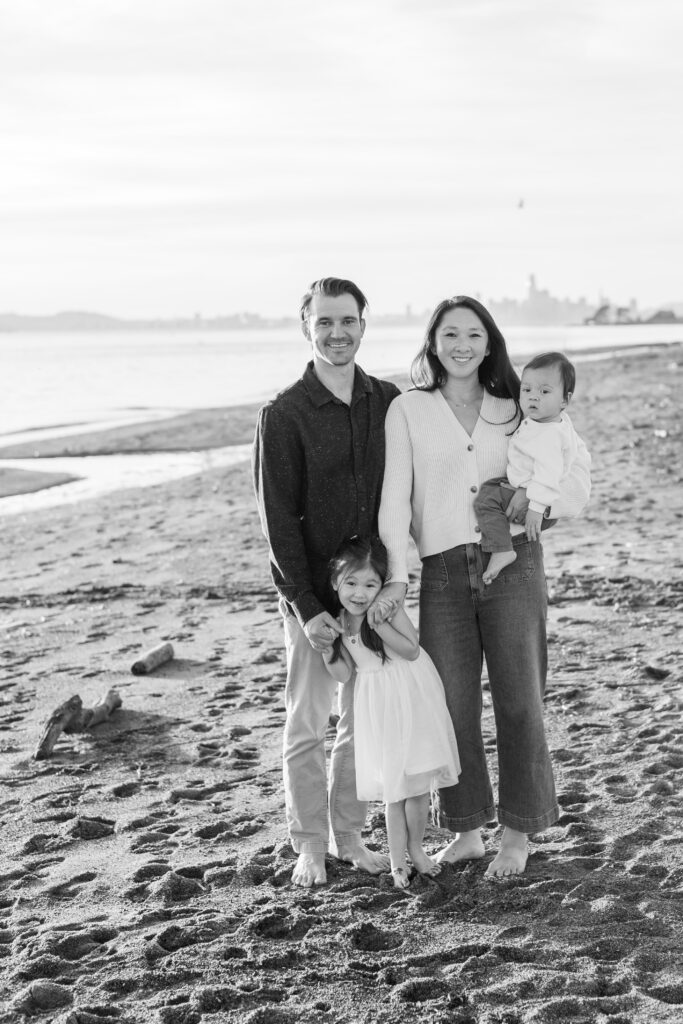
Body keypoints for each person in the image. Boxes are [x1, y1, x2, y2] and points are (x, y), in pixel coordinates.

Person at [374, 296, 591, 877]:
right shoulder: (408, 409)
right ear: (433, 342)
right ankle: (467, 830)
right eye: (450, 334)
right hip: (442, 571)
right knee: (452, 706)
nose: (462, 345)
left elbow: (576, 476)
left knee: (520, 700)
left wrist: (538, 507)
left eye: (474, 334)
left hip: (515, 565)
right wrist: (396, 577)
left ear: (490, 342)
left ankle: (517, 835)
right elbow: (395, 499)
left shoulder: (519, 405)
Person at [252, 277, 401, 887]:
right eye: (325, 322)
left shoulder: (387, 400)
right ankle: (309, 844)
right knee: (308, 725)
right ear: (306, 327)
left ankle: (350, 835)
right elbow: (277, 522)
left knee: (360, 726)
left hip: (369, 595)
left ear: (363, 324)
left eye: (347, 321)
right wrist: (307, 606)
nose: (337, 333)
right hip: (311, 598)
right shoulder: (284, 414)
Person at [320, 536, 461, 888]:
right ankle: (398, 862)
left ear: (382, 585)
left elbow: (411, 650)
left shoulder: (388, 609)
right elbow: (343, 674)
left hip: (412, 697)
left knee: (417, 788)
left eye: (370, 584)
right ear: (335, 582)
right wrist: (325, 648)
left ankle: (416, 849)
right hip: (379, 706)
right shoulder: (340, 621)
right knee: (394, 791)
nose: (360, 593)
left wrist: (380, 624)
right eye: (351, 583)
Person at [475, 352, 589, 585]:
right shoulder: (545, 423)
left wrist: (536, 508)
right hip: (531, 493)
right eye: (526, 390)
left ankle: (501, 550)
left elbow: (549, 473)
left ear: (565, 400)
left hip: (536, 501)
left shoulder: (550, 434)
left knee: (486, 500)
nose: (533, 396)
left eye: (544, 392)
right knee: (490, 490)